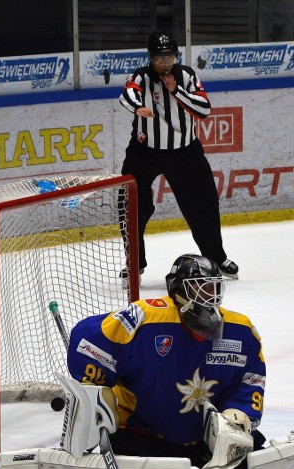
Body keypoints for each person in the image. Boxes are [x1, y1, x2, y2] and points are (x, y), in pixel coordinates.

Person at [64, 254, 265, 469]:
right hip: (142, 435)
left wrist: (237, 416)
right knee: (129, 465)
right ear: (178, 289)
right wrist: (96, 391)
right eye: (201, 287)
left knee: (256, 465)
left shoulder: (241, 330)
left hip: (204, 439)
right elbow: (86, 339)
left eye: (213, 287)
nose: (210, 295)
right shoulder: (147, 318)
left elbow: (251, 381)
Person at [117, 32, 238, 286]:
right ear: (151, 58)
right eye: (160, 58)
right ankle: (135, 264)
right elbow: (126, 95)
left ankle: (215, 258)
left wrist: (176, 90)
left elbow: (204, 109)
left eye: (169, 57)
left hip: (185, 152)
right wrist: (138, 106)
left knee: (204, 203)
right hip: (144, 152)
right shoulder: (141, 75)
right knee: (129, 204)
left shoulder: (186, 75)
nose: (165, 62)